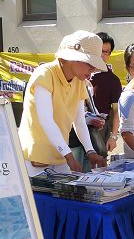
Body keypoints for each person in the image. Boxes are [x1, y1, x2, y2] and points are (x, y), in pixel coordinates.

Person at [18, 30, 108, 176]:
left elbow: (79, 121)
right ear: (70, 58)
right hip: (34, 160)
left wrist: (90, 151)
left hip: (61, 158)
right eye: (89, 62)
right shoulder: (44, 74)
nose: (93, 68)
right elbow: (46, 120)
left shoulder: (80, 81)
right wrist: (69, 155)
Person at [69, 32, 123, 171]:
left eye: (106, 52)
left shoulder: (113, 80)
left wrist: (113, 136)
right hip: (72, 137)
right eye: (99, 51)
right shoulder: (76, 76)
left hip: (98, 133)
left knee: (96, 174)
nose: (102, 55)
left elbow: (116, 111)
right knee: (74, 173)